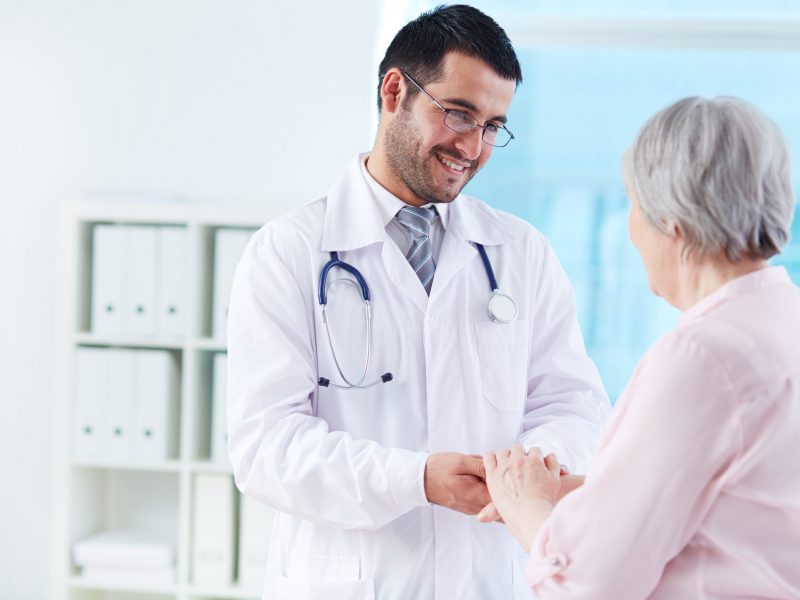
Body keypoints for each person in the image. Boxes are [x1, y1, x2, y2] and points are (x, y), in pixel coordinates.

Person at [226, 5, 610, 599]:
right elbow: (266, 447)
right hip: (354, 580)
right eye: (459, 113)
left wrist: (529, 470)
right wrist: (416, 480)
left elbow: (575, 403)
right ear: (393, 91)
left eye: (492, 126)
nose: (473, 146)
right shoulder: (288, 252)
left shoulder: (520, 252)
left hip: (488, 578)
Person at [481, 96, 800, 599]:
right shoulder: (784, 320)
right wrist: (594, 492)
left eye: (631, 203)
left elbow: (586, 583)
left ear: (672, 221)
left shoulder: (703, 358)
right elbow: (740, 506)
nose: (628, 229)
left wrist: (525, 505)